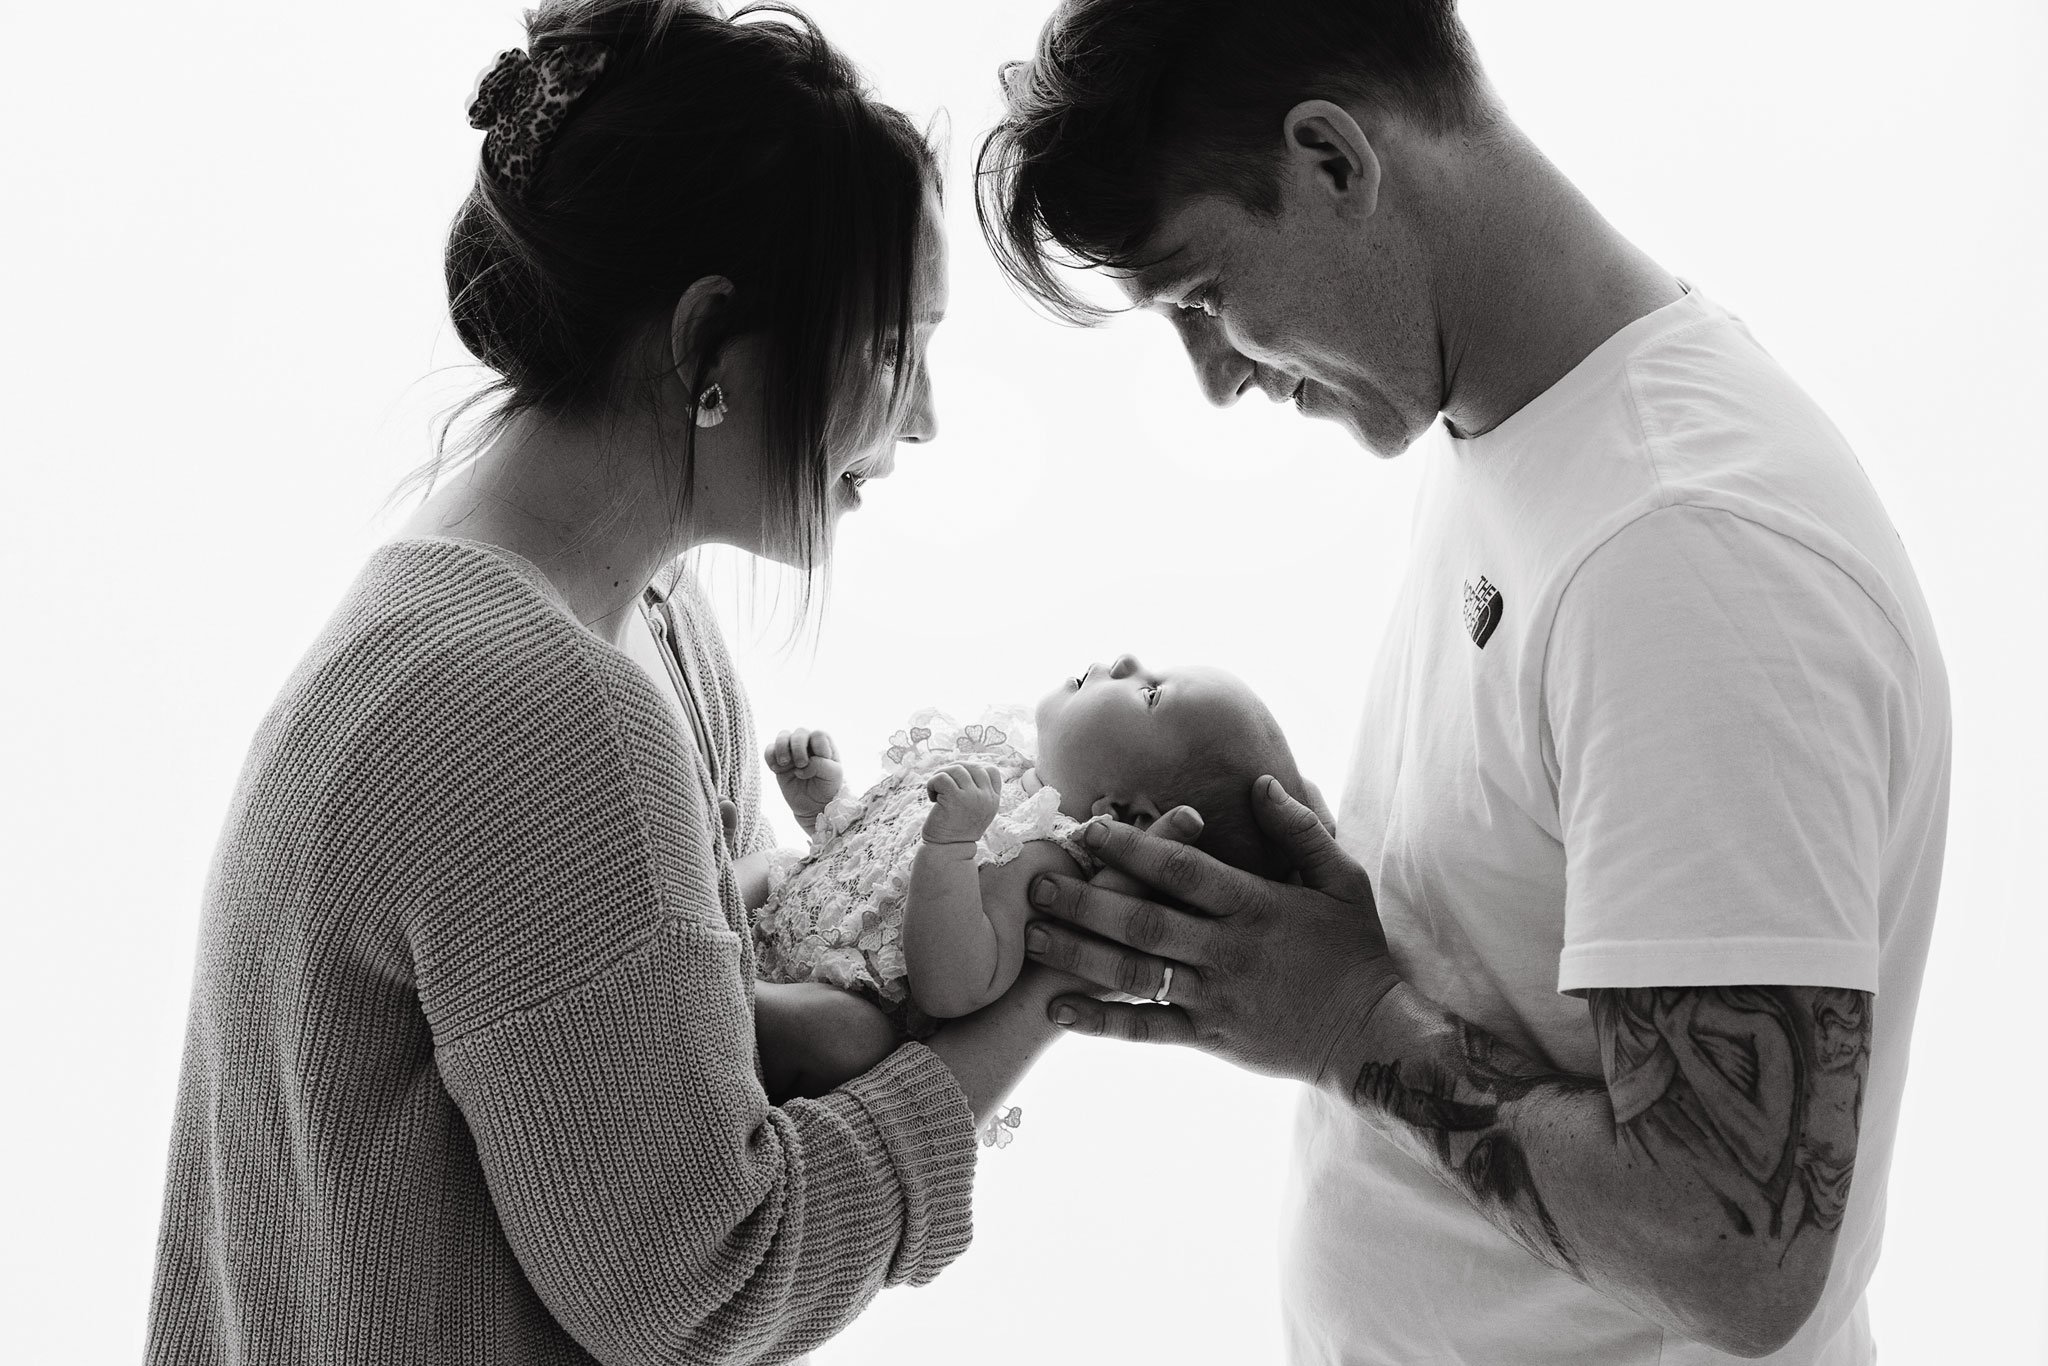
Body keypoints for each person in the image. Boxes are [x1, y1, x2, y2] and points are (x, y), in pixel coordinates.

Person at [978, 2, 1948, 1362]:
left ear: (1333, 162)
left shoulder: (1683, 549)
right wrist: (1325, 936)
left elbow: (1739, 1247)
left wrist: (1345, 1019)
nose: (1216, 378)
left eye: (1204, 295)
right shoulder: (1522, 433)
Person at [144, 4, 1073, 1361]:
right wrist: (1042, 992)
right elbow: (702, 1279)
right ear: (708, 345)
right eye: (892, 349)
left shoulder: (635, 618)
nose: (921, 415)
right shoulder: (527, 701)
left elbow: (736, 1019)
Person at [746, 657, 1303, 1059]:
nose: (1129, 660)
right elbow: (868, 876)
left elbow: (953, 989)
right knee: (773, 859)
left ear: (1126, 813)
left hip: (837, 996)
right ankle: (718, 895)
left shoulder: (1047, 859)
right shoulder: (996, 766)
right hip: (797, 923)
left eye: (1151, 693)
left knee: (850, 1036)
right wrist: (825, 809)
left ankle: (722, 991)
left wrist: (951, 849)